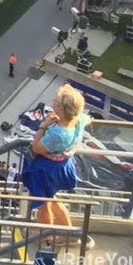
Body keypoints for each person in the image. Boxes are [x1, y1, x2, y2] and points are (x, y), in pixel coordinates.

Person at [21, 84, 89, 244]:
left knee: (43, 203)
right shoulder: (77, 120)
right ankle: (70, 234)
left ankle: (45, 238)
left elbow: (36, 147)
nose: (52, 101)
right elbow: (87, 119)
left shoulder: (58, 133)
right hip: (61, 167)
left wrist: (43, 126)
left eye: (55, 101)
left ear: (60, 108)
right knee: (52, 199)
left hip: (46, 170)